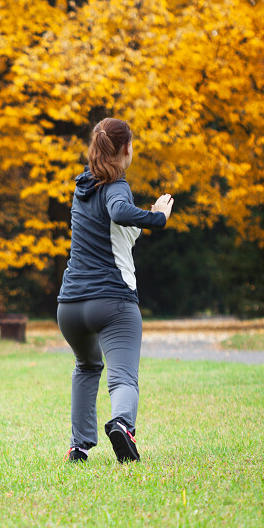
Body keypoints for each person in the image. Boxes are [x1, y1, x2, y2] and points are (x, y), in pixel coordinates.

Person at [56, 118, 174, 463]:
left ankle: (79, 447)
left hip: (69, 307)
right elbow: (120, 212)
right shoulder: (116, 186)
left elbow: (115, 229)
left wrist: (146, 215)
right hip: (111, 301)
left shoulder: (83, 188)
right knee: (123, 377)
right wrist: (160, 218)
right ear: (126, 149)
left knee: (87, 366)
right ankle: (122, 424)